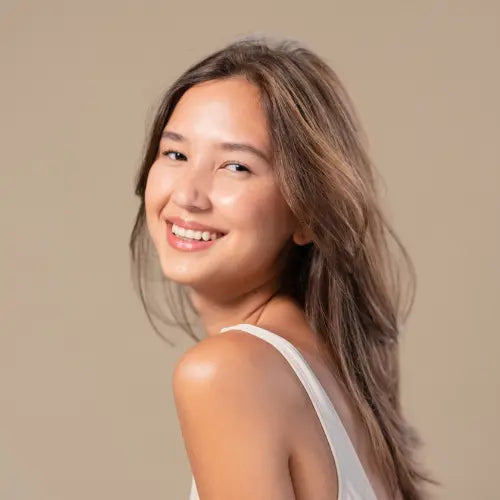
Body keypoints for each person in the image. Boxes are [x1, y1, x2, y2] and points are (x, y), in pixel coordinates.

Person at [129, 35, 436, 499]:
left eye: (236, 166)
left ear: (307, 213)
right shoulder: (333, 365)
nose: (188, 195)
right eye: (176, 154)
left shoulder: (227, 372)